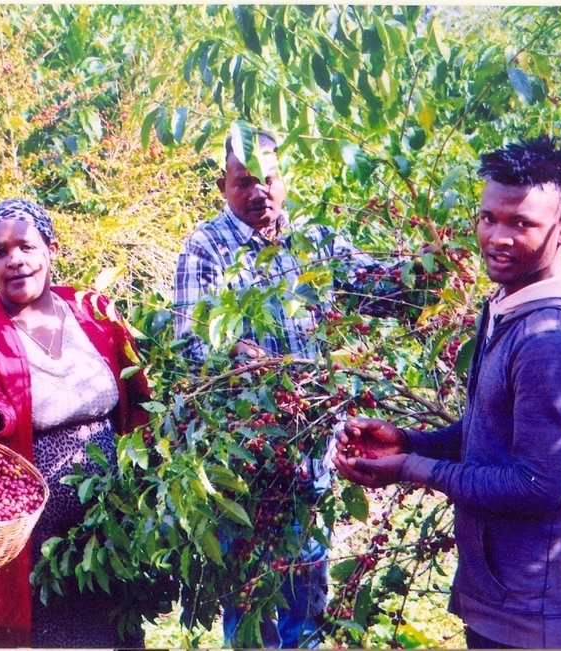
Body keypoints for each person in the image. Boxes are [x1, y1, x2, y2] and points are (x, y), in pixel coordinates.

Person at [334, 135, 561, 649]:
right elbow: (493, 431)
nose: (498, 237)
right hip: (505, 597)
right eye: (489, 217)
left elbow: (535, 486)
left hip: (536, 614)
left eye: (522, 224)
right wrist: (411, 441)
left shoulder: (548, 339)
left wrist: (409, 469)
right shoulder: (510, 307)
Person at [173, 127, 407, 648]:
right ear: (223, 186)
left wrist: (431, 263)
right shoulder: (207, 248)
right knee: (253, 606)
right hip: (243, 460)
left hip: (310, 451)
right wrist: (238, 355)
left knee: (307, 598)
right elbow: (191, 343)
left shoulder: (315, 239)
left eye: (269, 179)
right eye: (244, 181)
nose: (259, 192)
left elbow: (378, 288)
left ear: (286, 180)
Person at [0, 198, 151, 648]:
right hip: (34, 533)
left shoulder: (94, 309)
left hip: (111, 519)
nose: (14, 260)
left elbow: (138, 397)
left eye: (26, 247)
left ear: (51, 248)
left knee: (114, 631)